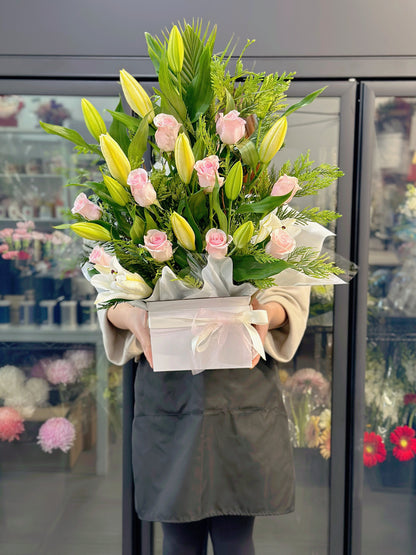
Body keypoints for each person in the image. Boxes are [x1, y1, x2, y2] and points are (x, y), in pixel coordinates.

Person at [97, 285, 310, 555]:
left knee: (234, 534)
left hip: (242, 381)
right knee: (180, 535)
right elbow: (109, 296)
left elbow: (289, 291)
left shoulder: (271, 240)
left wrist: (261, 314)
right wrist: (135, 318)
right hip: (168, 381)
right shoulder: (135, 241)